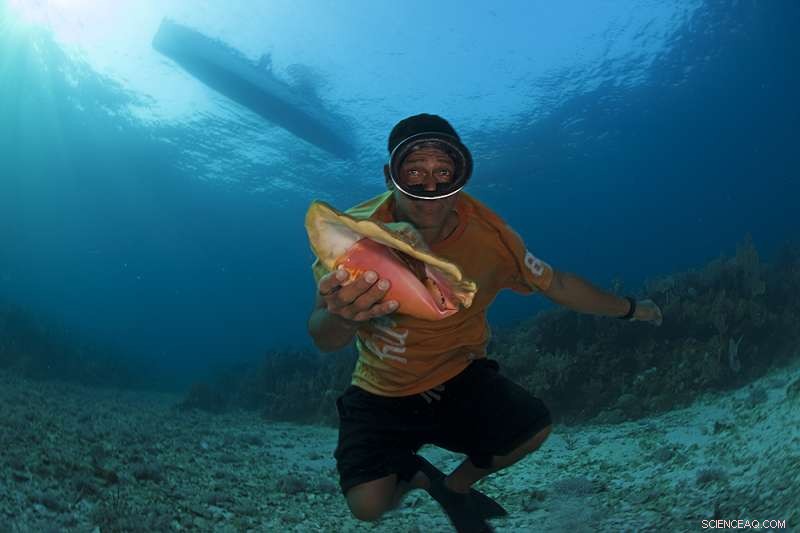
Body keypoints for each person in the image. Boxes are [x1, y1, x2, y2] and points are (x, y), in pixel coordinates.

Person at [307, 113, 663, 532]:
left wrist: (630, 307)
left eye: (444, 172)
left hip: (456, 374)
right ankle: (418, 475)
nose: (430, 189)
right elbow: (324, 337)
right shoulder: (351, 236)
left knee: (533, 429)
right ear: (390, 176)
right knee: (367, 508)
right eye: (414, 172)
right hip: (379, 387)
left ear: (462, 176)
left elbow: (559, 284)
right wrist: (342, 317)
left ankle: (453, 488)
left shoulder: (493, 240)